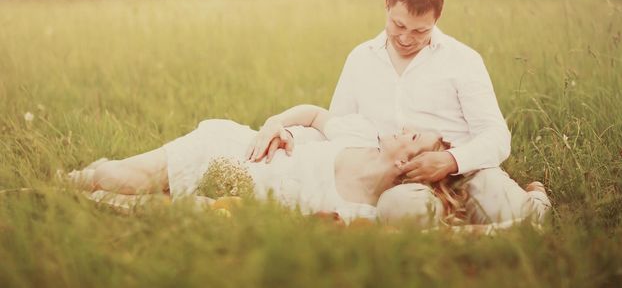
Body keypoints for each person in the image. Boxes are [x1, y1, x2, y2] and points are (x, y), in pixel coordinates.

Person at [253, 0, 551, 224]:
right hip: (397, 183)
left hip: (461, 173)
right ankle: (446, 221)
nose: (407, 38)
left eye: (421, 31)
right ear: (387, 6)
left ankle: (535, 196)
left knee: (513, 213)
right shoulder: (361, 58)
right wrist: (288, 131)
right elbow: (338, 131)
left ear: (437, 19)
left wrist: (449, 160)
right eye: (399, 25)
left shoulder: (463, 60)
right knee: (401, 211)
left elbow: (497, 136)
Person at [67, 104, 466, 225]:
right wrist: (274, 123)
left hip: (230, 197)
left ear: (405, 163)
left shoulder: (364, 209)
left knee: (142, 206)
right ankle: (59, 181)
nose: (403, 128)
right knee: (118, 179)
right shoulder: (357, 135)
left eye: (413, 138)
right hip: (227, 149)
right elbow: (311, 114)